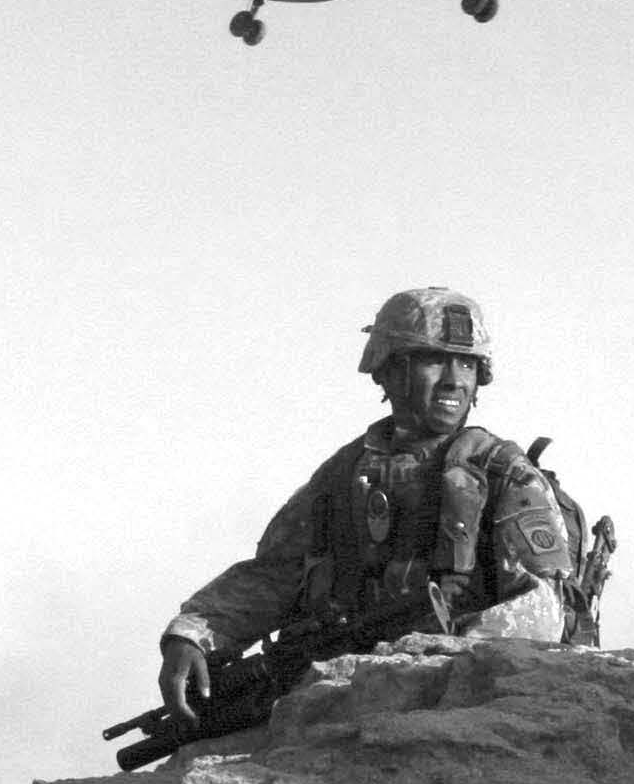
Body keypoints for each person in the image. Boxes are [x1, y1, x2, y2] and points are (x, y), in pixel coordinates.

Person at [157, 288, 580, 719]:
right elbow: (274, 576)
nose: (455, 379)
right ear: (388, 370)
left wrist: (437, 659)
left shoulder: (502, 473)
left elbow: (544, 610)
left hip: (465, 703)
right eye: (434, 360)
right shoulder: (342, 475)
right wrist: (192, 634)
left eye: (467, 363)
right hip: (346, 694)